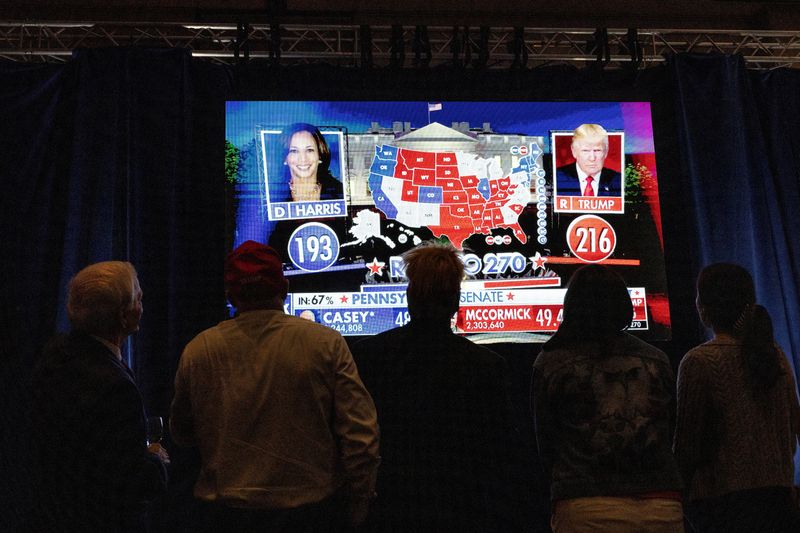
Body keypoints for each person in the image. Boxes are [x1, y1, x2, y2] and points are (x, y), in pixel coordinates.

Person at [170, 240, 379, 532]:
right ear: (284, 290)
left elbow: (181, 433)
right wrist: (360, 499)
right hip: (310, 517)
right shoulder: (326, 343)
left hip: (226, 517)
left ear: (230, 294)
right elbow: (360, 435)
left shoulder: (199, 350)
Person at [351, 242, 521, 532]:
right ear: (456, 301)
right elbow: (502, 455)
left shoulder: (368, 356)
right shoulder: (487, 366)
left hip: (390, 508)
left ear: (410, 297)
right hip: (463, 510)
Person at [532, 264, 683, 532]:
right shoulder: (656, 360)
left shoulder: (552, 362)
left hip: (586, 507)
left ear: (573, 305)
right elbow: (670, 430)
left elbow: (546, 444)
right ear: (623, 304)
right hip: (660, 506)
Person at [28, 261, 168, 532]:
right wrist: (156, 461)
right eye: (138, 298)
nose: (142, 304)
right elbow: (129, 482)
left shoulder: (53, 355)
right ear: (123, 316)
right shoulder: (115, 387)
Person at [673, 263, 800, 532]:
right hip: (780, 500)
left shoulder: (699, 361)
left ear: (704, 307)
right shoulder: (777, 355)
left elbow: (687, 448)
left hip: (723, 506)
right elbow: (792, 431)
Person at [280, 123, 343, 202]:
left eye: (309, 150)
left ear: (320, 155)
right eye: (294, 151)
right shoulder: (274, 194)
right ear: (285, 158)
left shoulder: (339, 191)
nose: (303, 159)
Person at [555, 123, 622, 196]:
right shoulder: (556, 178)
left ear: (606, 152)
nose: (592, 158)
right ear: (574, 151)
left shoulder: (619, 181)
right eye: (585, 151)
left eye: (597, 150)